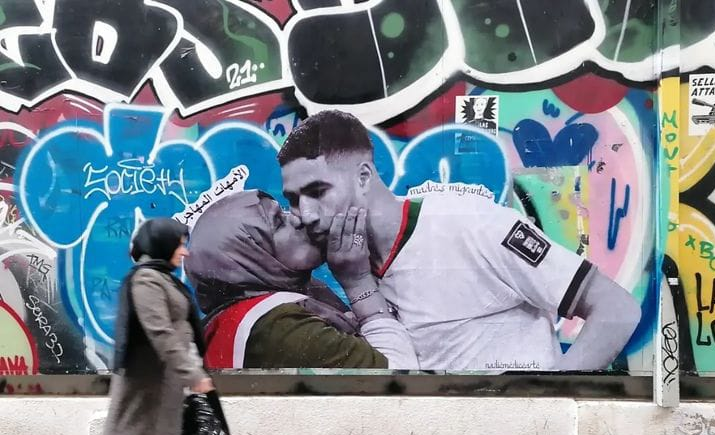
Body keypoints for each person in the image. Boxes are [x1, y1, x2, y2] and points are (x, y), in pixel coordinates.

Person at [277, 109, 642, 371]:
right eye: (293, 199)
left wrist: (552, 398)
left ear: (363, 177)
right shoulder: (344, 265)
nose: (306, 213)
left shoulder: (470, 223)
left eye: (318, 191)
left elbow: (616, 309)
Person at [183, 189, 417, 369]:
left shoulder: (233, 319)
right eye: (278, 222)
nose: (298, 219)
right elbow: (398, 384)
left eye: (284, 211)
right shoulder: (279, 327)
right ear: (247, 256)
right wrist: (358, 282)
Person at [104, 218, 215, 435]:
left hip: (163, 384)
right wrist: (193, 374)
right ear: (163, 244)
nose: (185, 252)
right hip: (148, 386)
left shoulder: (162, 277)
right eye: (179, 245)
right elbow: (160, 332)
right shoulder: (146, 280)